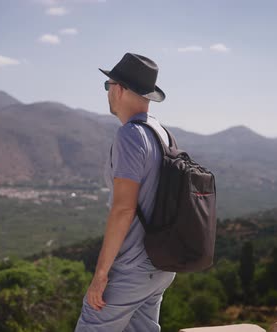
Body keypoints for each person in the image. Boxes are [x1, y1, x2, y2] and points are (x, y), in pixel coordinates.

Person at [75, 53, 177, 331]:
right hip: (161, 265)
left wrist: (101, 274)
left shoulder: (130, 136)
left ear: (118, 89)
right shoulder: (161, 132)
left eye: (108, 86)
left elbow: (123, 208)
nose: (108, 93)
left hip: (132, 269)